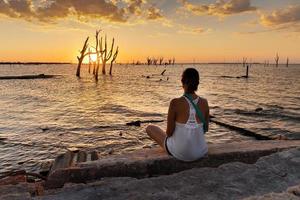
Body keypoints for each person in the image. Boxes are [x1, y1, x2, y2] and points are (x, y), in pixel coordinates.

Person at [146, 68, 209, 162]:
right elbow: (205, 130)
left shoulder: (175, 103)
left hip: (180, 153)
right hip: (200, 151)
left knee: (149, 128)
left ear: (182, 82)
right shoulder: (204, 102)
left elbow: (169, 133)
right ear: (198, 83)